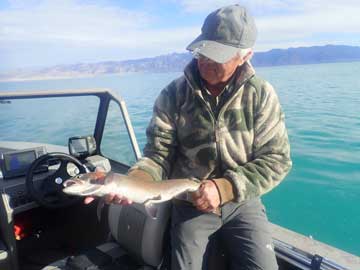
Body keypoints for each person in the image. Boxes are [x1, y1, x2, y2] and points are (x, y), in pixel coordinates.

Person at [87, 4, 292, 270]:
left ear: (245, 56)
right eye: (202, 50)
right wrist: (135, 183)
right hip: (190, 205)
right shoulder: (173, 95)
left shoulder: (261, 95)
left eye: (217, 56)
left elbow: (278, 160)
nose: (205, 60)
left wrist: (224, 188)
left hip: (242, 202)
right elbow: (157, 155)